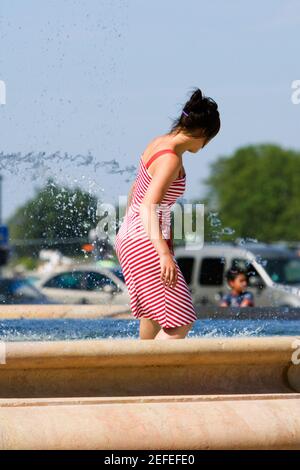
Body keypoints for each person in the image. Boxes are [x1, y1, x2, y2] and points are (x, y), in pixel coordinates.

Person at [114, 87, 221, 339]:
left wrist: (128, 229)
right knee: (181, 320)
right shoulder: (171, 158)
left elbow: (135, 189)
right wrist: (163, 253)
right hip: (144, 240)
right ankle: (151, 376)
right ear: (202, 134)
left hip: (131, 235)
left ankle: (139, 373)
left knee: (152, 317)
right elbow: (149, 206)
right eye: (209, 140)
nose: (205, 147)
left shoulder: (158, 143)